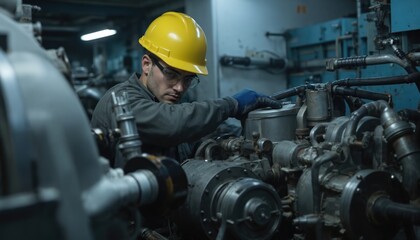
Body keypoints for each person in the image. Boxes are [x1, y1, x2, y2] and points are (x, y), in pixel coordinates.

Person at [91, 11, 281, 168]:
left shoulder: (169, 102)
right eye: (171, 74)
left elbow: (199, 128)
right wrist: (231, 105)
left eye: (188, 79)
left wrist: (251, 133)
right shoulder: (120, 100)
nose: (180, 87)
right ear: (147, 65)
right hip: (126, 212)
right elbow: (170, 123)